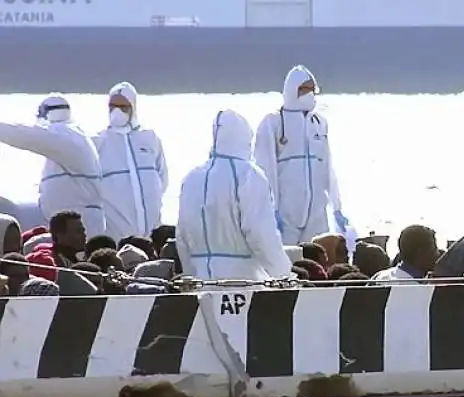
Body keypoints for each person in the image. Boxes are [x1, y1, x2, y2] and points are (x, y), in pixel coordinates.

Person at [176, 109, 292, 281]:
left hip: (201, 280)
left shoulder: (192, 178)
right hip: (242, 280)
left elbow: (182, 235)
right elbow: (260, 233)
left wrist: (190, 275)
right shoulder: (249, 175)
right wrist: (284, 274)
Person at [254, 65, 350, 245]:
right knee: (288, 263)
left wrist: (337, 207)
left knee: (317, 261)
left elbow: (328, 168)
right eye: (305, 90)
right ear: (292, 90)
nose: (310, 95)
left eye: (313, 90)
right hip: (286, 212)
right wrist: (270, 209)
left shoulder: (319, 123)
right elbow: (265, 169)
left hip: (316, 212)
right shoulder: (273, 123)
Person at [0, 94, 105, 237]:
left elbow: (25, 136)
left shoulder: (64, 135)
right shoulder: (74, 137)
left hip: (79, 228)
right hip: (70, 227)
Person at [93, 82, 169, 241]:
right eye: (112, 106)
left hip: (151, 231)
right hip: (117, 234)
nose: (117, 111)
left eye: (123, 107)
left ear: (133, 107)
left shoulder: (149, 138)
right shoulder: (99, 142)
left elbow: (162, 177)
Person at [373, 225, 439, 282]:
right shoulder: (422, 291)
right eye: (434, 249)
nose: (438, 254)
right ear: (421, 252)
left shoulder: (378, 278)